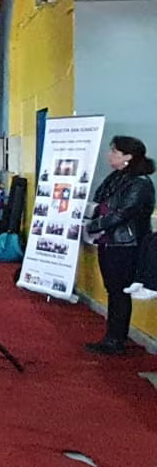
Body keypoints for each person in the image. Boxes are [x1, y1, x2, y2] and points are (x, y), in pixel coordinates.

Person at [83, 136, 155, 355]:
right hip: (109, 241)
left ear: (128, 157)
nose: (109, 155)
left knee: (119, 291)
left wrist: (92, 226)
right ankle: (114, 335)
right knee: (113, 290)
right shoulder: (117, 177)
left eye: (115, 152)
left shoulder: (140, 183)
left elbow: (122, 213)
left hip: (126, 244)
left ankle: (115, 340)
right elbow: (101, 203)